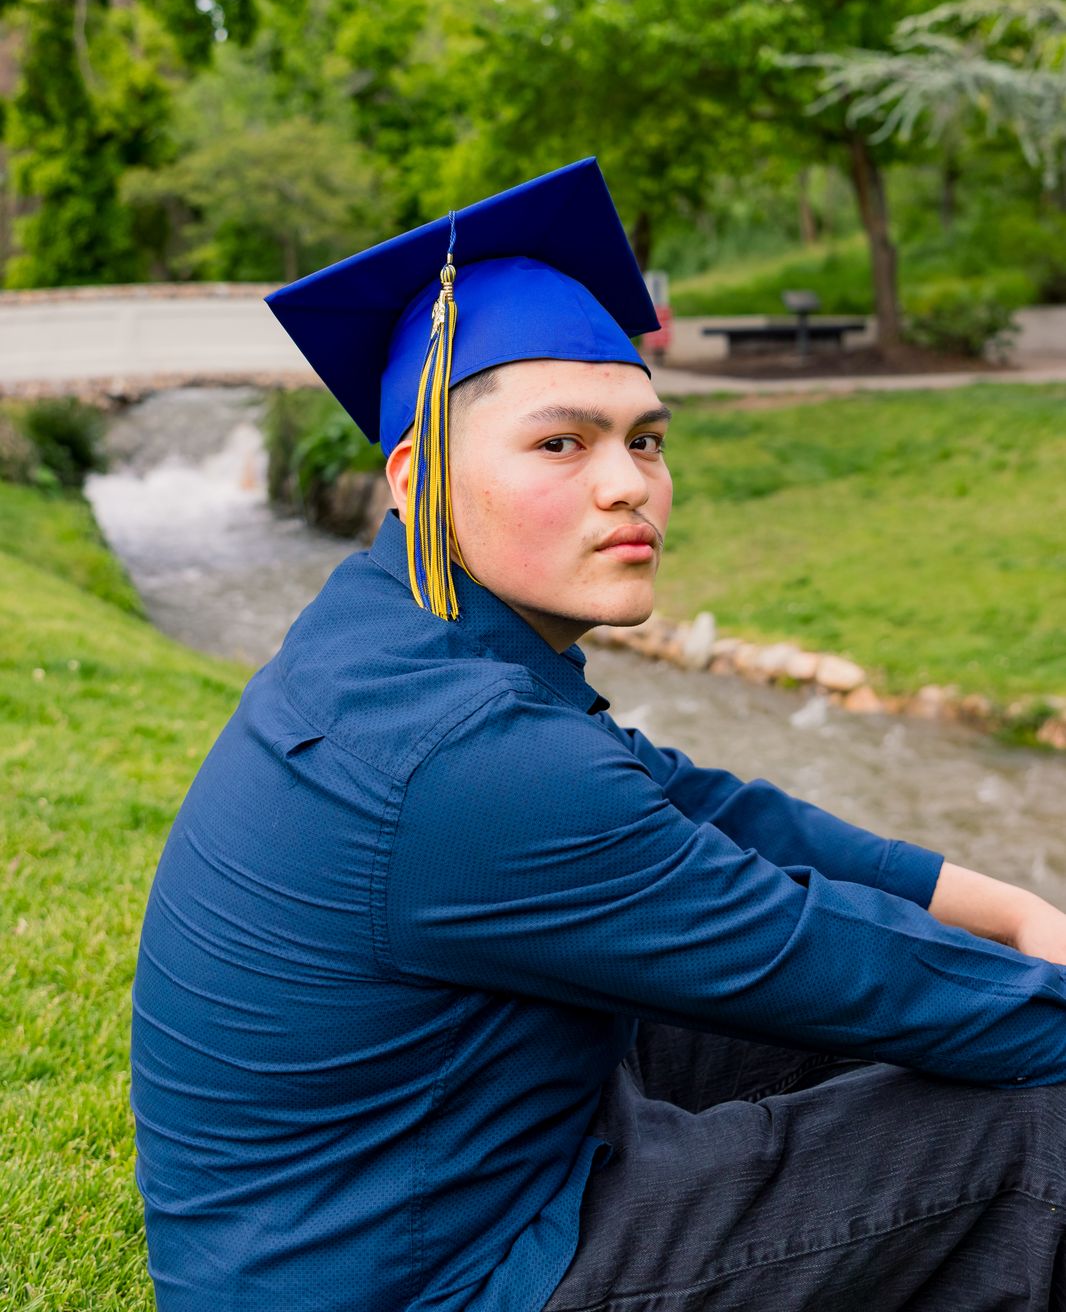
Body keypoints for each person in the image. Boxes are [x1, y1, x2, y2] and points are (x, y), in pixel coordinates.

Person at [130, 157, 1066, 1312]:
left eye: (646, 439)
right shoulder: (476, 763)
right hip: (431, 1274)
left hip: (417, 1179)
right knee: (1030, 1115)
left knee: (872, 1018)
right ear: (416, 478)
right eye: (560, 444)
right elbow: (837, 963)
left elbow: (708, 809)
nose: (630, 485)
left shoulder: (387, 630)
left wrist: (1015, 911)